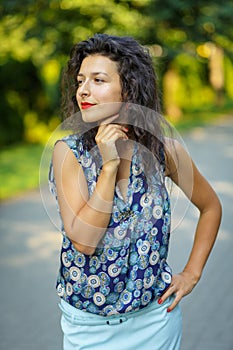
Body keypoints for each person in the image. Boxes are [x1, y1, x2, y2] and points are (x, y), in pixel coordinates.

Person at [49, 34, 222, 350]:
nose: (83, 91)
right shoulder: (69, 154)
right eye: (80, 81)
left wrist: (191, 274)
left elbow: (211, 207)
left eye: (98, 80)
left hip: (156, 321)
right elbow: (84, 242)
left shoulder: (165, 152)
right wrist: (109, 166)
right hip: (89, 328)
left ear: (127, 89)